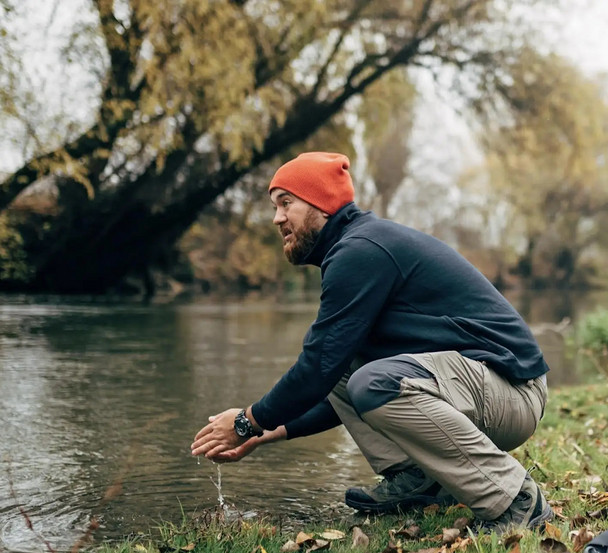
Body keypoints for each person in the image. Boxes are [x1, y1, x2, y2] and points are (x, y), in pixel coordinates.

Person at [190, 152, 552, 532]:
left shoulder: (360, 250)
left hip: (512, 391)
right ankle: (421, 480)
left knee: (370, 379)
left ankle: (516, 499)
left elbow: (317, 371)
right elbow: (332, 382)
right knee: (349, 367)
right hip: (483, 391)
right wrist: (266, 431)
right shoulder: (357, 247)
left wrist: (247, 422)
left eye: (286, 203)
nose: (277, 217)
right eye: (275, 206)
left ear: (322, 203)